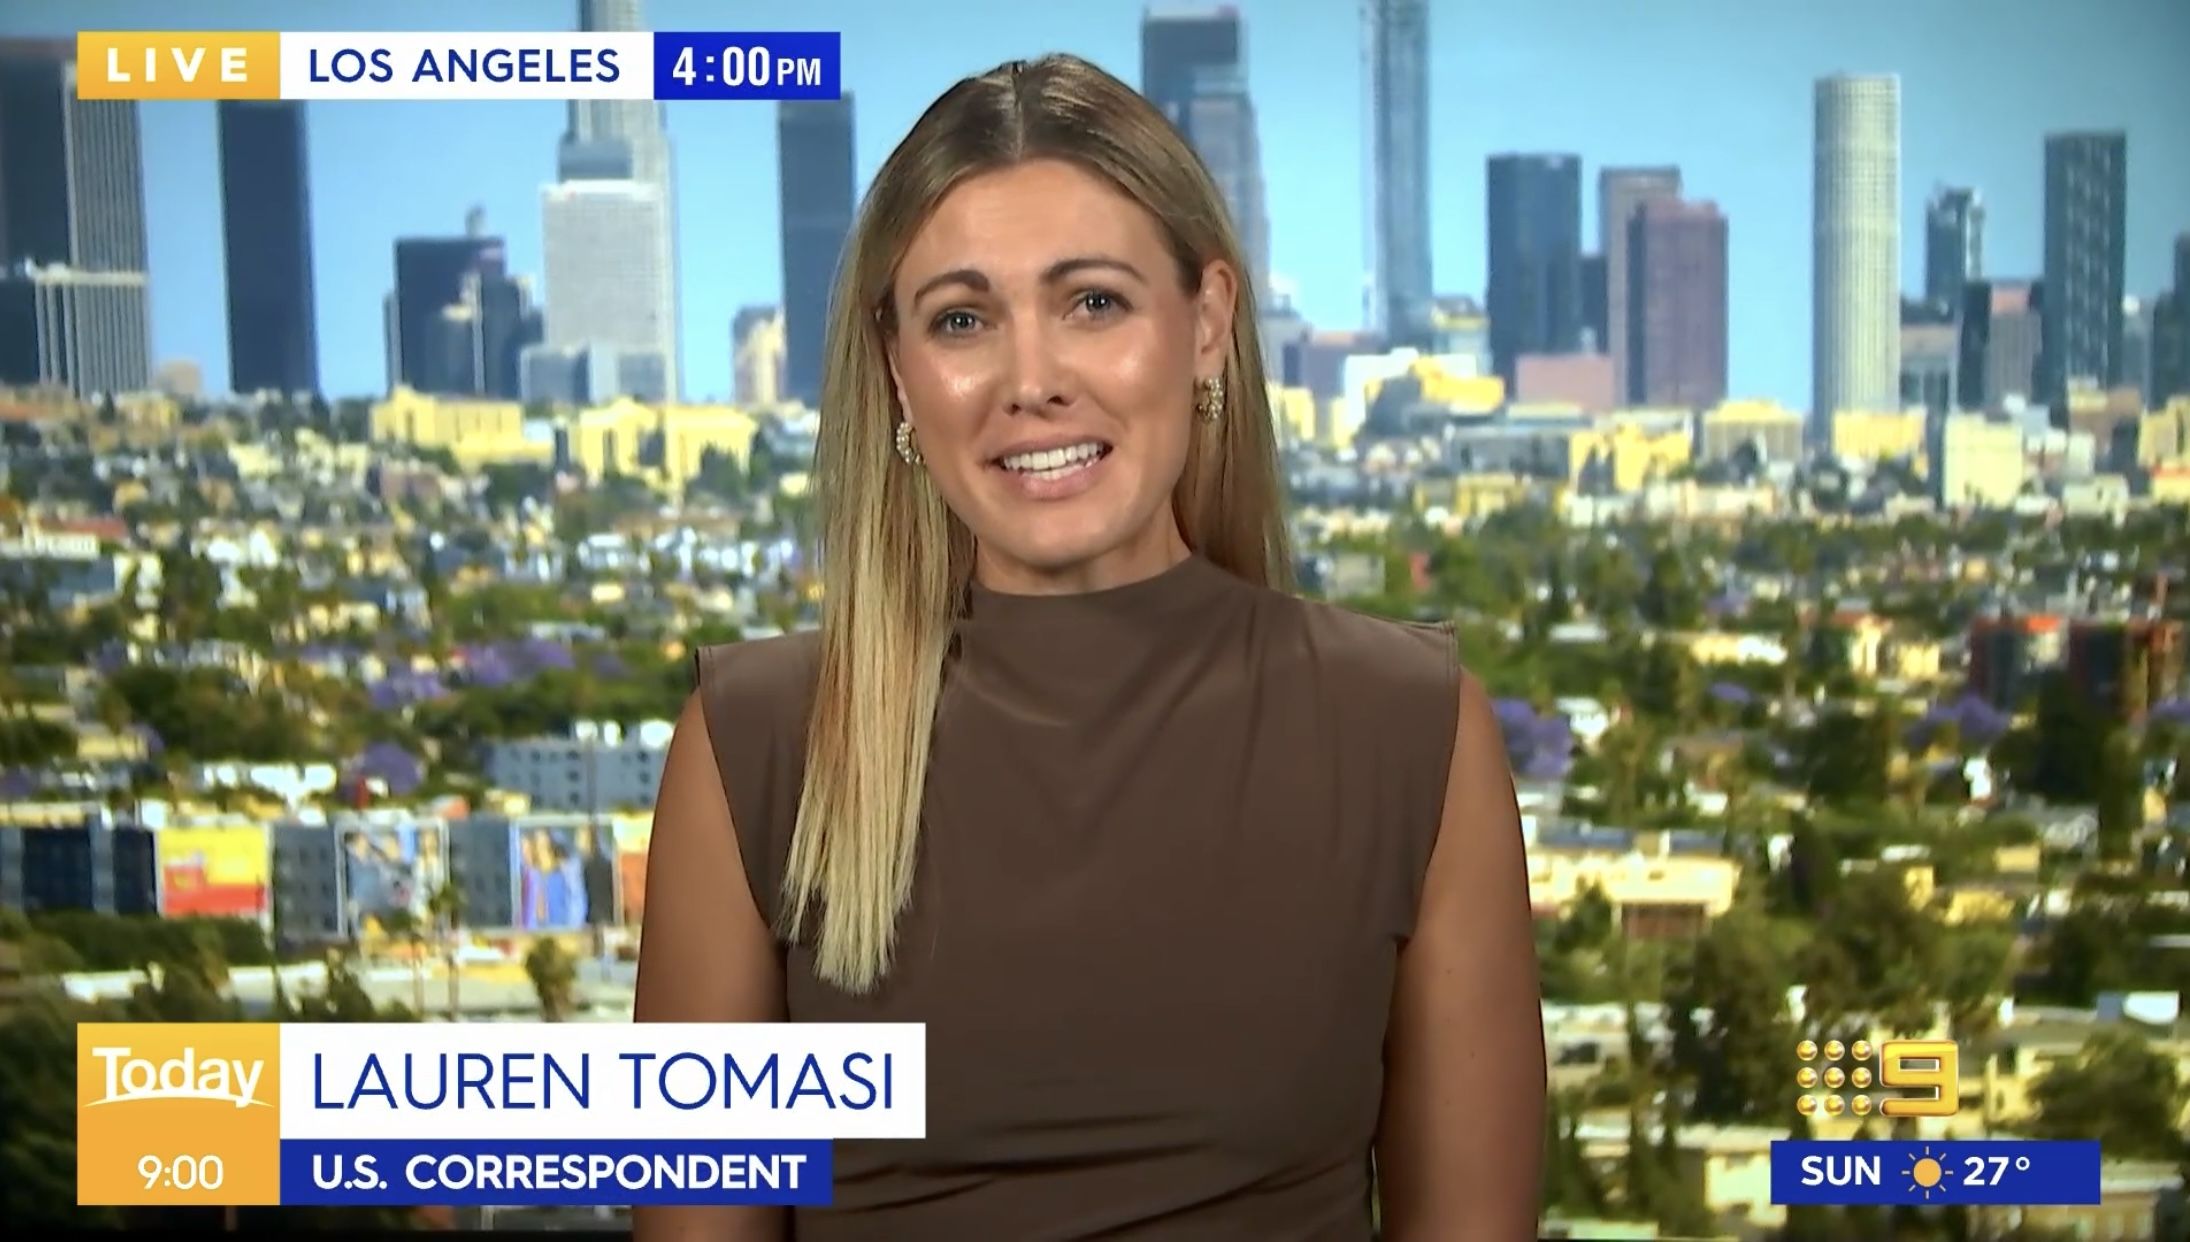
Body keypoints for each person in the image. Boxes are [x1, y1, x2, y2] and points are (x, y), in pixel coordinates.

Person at [636, 52, 1544, 1241]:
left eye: (1094, 304)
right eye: (963, 321)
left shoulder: (1406, 731)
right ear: (899, 373)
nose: (1032, 382)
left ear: (1206, 324)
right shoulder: (758, 745)